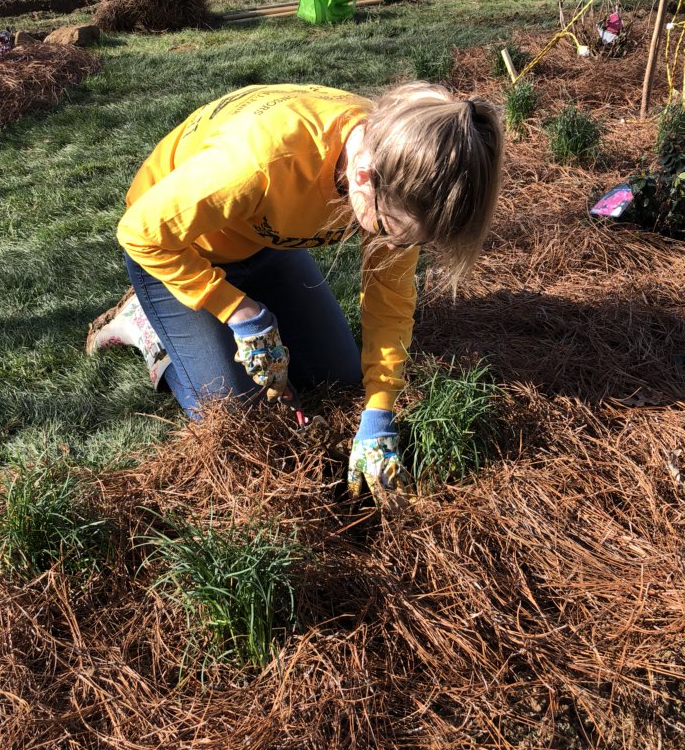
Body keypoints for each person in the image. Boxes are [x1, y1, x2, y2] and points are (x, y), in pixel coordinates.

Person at [87, 83, 503, 505]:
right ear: (363, 176)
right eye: (386, 231)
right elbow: (139, 233)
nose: (392, 247)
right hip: (176, 244)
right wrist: (237, 309)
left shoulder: (398, 161)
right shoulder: (260, 161)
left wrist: (379, 411)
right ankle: (147, 327)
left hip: (265, 239)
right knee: (235, 417)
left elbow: (390, 299)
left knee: (340, 376)